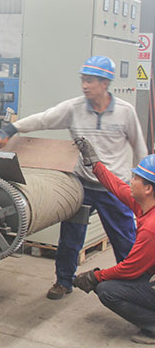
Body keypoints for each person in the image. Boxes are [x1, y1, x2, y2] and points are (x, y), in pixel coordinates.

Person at [0, 55, 147, 300]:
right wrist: (10, 129)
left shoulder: (125, 112)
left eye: (90, 80)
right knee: (71, 237)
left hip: (115, 188)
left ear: (105, 83)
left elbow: (140, 148)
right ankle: (63, 281)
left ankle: (133, 286)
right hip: (81, 185)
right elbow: (44, 119)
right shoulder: (74, 108)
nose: (85, 85)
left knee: (125, 238)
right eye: (83, 79)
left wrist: (144, 187)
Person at [73, 137, 155, 345]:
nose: (131, 181)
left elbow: (130, 269)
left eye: (136, 178)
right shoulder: (145, 205)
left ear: (148, 189)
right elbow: (117, 187)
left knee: (108, 290)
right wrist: (95, 164)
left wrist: (95, 276)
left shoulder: (151, 228)